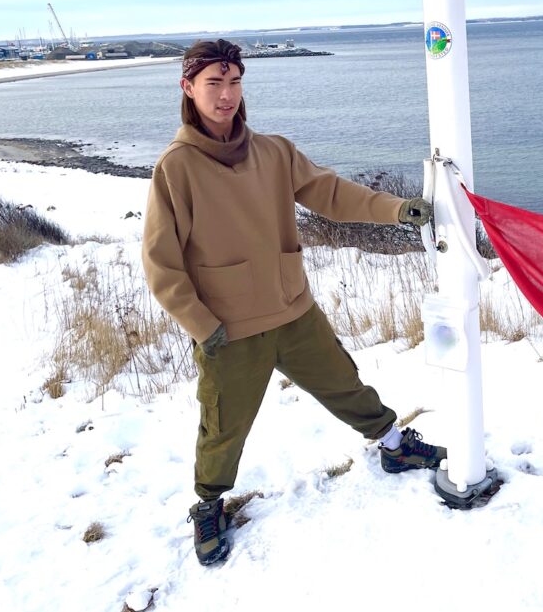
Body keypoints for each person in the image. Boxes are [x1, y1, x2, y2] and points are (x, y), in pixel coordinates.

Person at [142, 39, 444, 566]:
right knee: (223, 425)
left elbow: (331, 193)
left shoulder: (273, 151)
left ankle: (394, 446)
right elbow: (160, 262)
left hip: (293, 309)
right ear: (188, 88)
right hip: (228, 329)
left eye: (234, 82)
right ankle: (209, 505)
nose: (227, 95)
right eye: (214, 83)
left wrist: (398, 210)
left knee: (345, 383)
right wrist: (201, 323)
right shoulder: (176, 168)